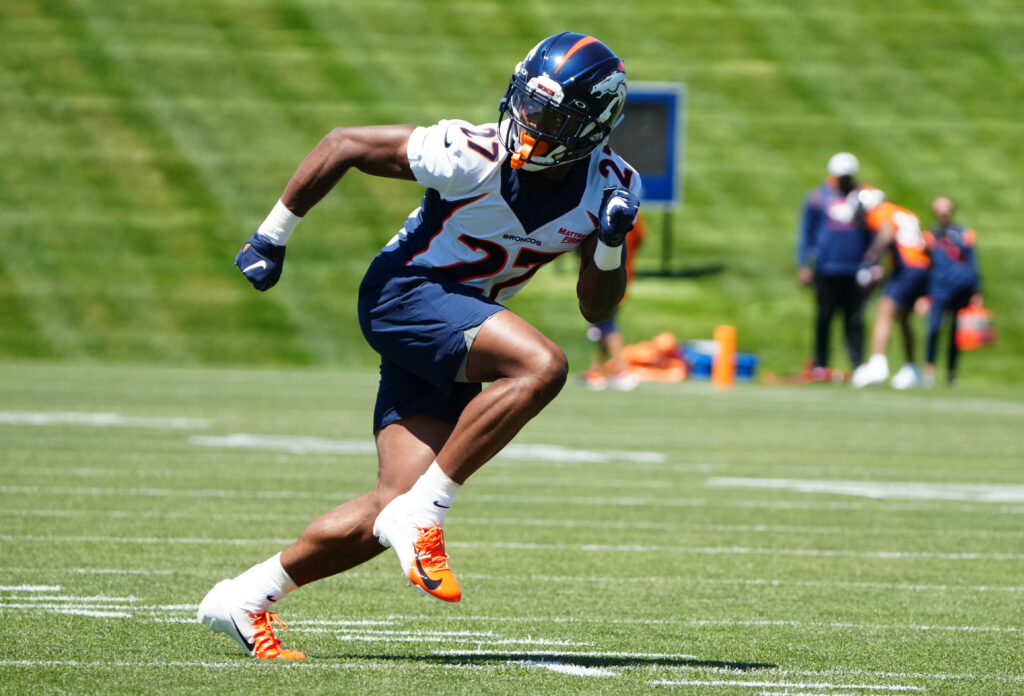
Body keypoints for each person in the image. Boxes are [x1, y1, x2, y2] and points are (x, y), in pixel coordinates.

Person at [196, 32, 641, 660]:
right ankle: (427, 514)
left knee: (391, 504)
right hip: (405, 295)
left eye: (551, 117)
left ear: (591, 127)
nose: (529, 123)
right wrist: (272, 236)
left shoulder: (613, 185)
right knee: (543, 365)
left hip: (455, 320)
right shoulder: (471, 152)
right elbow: (344, 144)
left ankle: (244, 597)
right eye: (528, 104)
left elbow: (597, 305)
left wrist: (611, 240)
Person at [795, 153, 872, 381]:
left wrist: (872, 263)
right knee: (824, 317)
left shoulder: (864, 198)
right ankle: (820, 363)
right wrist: (803, 264)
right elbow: (806, 233)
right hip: (827, 268)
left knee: (855, 318)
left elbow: (872, 232)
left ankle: (858, 364)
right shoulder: (818, 198)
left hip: (854, 269)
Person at [850, 189, 932, 389]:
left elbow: (887, 231)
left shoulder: (881, 211)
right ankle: (912, 369)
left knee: (884, 311)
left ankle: (878, 364)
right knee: (904, 319)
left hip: (908, 268)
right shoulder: (904, 212)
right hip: (922, 267)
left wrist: (870, 257)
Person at [581, 210, 646, 391]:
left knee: (606, 323)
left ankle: (621, 368)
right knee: (604, 322)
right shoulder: (633, 212)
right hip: (624, 273)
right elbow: (641, 237)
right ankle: (596, 369)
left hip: (603, 275)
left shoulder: (599, 211)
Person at [922, 196, 982, 387]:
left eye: (946, 208)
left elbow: (973, 262)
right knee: (933, 329)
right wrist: (923, 294)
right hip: (939, 289)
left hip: (962, 289)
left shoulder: (964, 234)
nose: (943, 212)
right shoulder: (930, 236)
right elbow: (925, 266)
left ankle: (951, 372)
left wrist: (977, 289)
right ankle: (929, 368)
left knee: (956, 334)